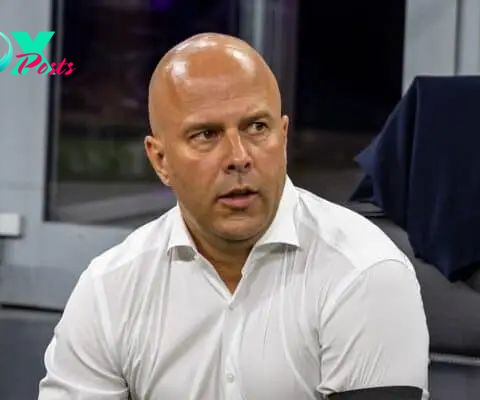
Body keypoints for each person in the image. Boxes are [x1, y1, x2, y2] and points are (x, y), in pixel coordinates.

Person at [38, 33, 430, 400]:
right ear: (160, 160)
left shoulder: (364, 272)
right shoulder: (111, 288)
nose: (239, 157)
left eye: (256, 127)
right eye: (206, 135)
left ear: (283, 135)